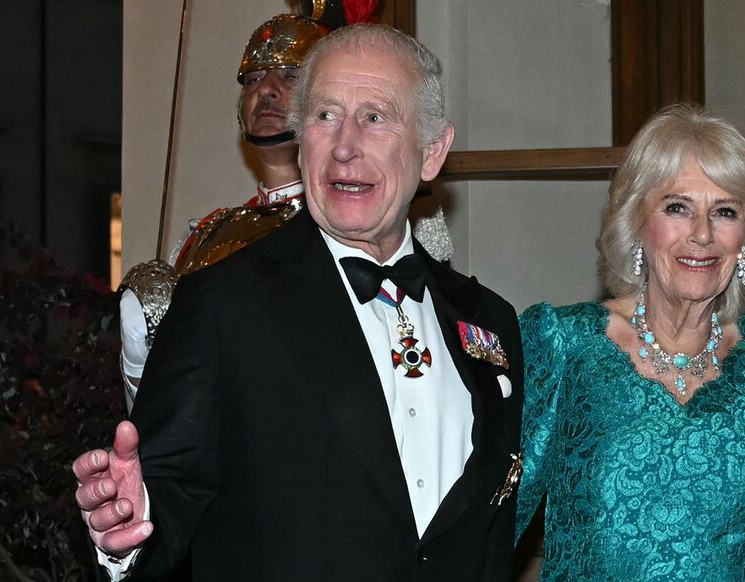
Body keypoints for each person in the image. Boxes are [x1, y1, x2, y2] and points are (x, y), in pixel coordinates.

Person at [74, 24, 524, 582]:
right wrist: (128, 530)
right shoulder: (222, 306)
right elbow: (166, 500)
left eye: (375, 117)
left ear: (432, 152)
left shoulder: (489, 322)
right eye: (325, 115)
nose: (344, 146)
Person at [516, 104, 745, 581]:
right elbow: (492, 525)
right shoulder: (566, 346)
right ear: (638, 223)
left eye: (724, 212)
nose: (702, 234)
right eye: (677, 207)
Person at [117, 4, 379, 411]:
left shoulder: (361, 225)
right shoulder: (205, 236)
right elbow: (173, 410)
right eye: (253, 78)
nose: (266, 90)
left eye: (290, 75)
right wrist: (138, 363)